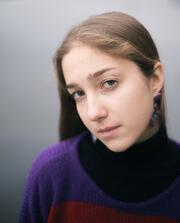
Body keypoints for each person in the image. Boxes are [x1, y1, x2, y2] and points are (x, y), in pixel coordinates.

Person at [19, 12, 180, 223]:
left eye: (109, 82)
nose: (93, 113)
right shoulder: (52, 175)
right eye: (79, 94)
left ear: (155, 80)